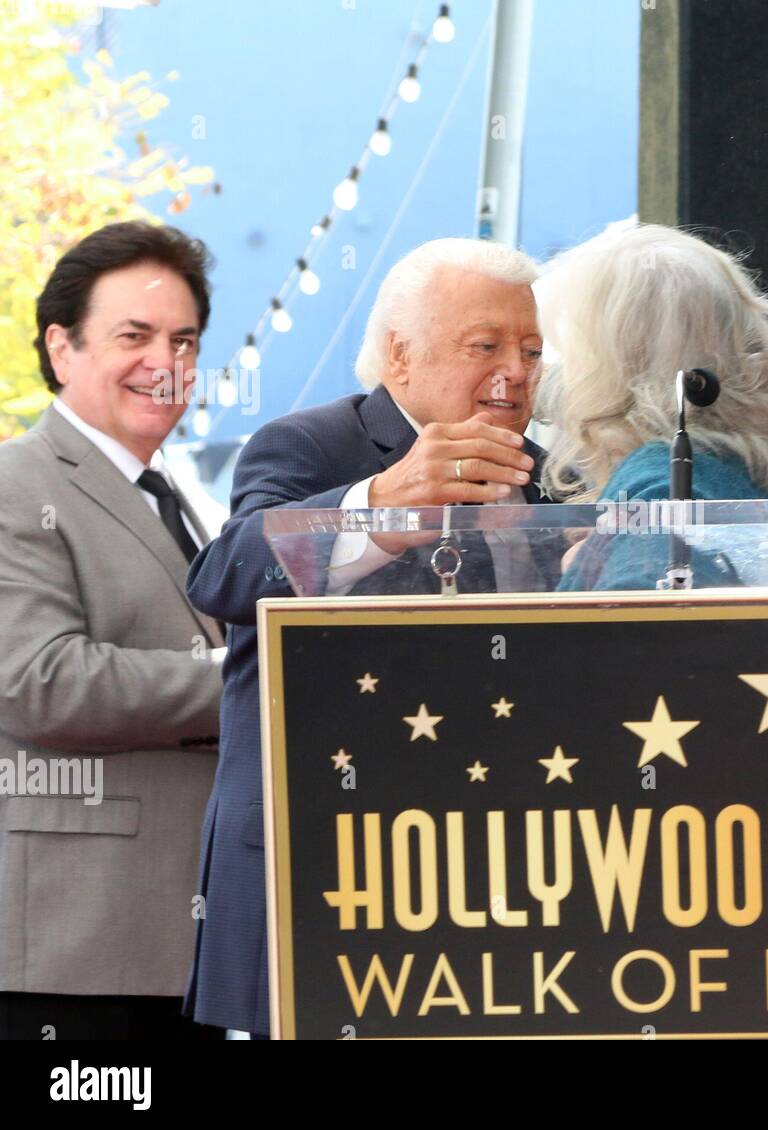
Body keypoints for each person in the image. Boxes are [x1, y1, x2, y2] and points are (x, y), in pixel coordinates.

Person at [184, 237, 558, 1036]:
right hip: (325, 867)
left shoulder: (554, 475)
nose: (517, 372)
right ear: (399, 354)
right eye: (485, 346)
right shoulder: (312, 445)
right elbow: (225, 577)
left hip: (486, 877)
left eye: (530, 349)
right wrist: (384, 504)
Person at [0, 221, 224, 1039]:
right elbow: (40, 681)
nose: (165, 364)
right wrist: (250, 675)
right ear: (62, 349)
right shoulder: (16, 484)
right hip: (76, 951)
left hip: (182, 944)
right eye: (134, 335)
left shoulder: (178, 494)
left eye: (184, 340)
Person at [536, 223, 768, 590]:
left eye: (572, 353)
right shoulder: (746, 465)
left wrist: (589, 581)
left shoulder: (660, 484)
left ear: (612, 366)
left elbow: (637, 629)